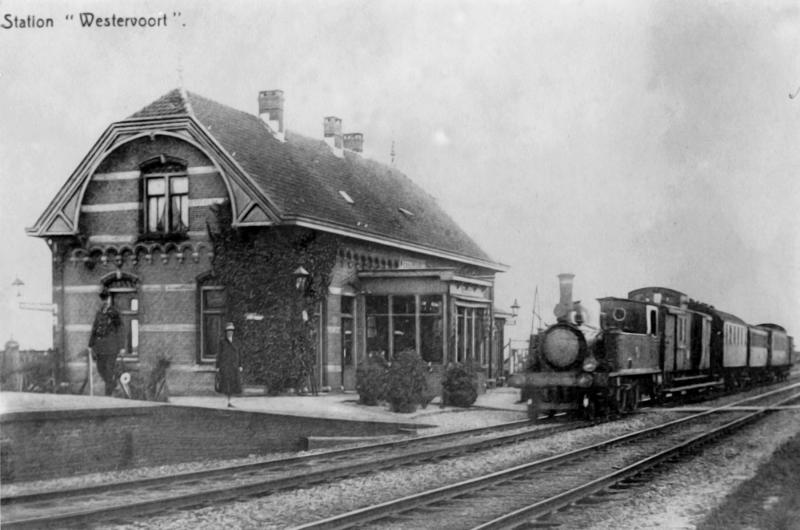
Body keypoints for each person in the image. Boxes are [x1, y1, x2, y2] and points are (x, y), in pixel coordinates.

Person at [88, 288, 123, 396]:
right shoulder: (99, 313)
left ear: (109, 299)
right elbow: (94, 328)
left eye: (106, 298)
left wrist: (121, 346)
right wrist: (90, 344)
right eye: (103, 298)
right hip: (100, 347)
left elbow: (120, 329)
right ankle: (112, 384)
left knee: (108, 371)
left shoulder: (114, 313)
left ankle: (107, 395)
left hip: (111, 346)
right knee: (100, 368)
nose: (104, 301)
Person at [216, 322, 242, 407]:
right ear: (226, 332)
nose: (230, 332)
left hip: (234, 366)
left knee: (234, 383)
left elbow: (240, 354)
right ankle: (228, 401)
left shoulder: (237, 341)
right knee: (226, 383)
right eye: (228, 331)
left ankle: (231, 400)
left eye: (231, 331)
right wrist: (218, 366)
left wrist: (240, 365)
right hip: (225, 366)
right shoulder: (222, 342)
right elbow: (219, 355)